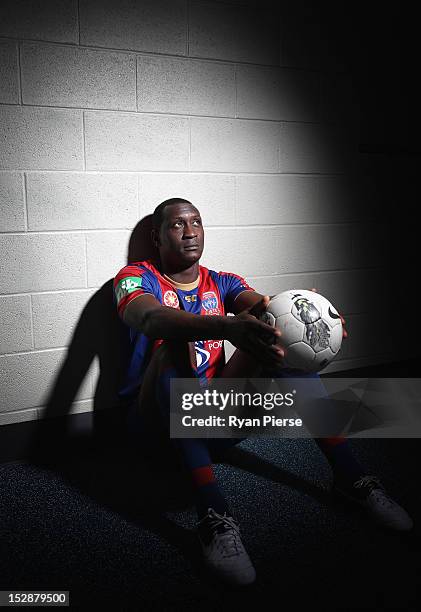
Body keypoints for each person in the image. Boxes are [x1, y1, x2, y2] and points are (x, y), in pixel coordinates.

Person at [113, 198, 413, 586]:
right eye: (177, 225)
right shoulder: (134, 276)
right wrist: (225, 327)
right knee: (175, 344)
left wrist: (313, 317)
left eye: (197, 223)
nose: (190, 233)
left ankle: (351, 478)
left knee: (282, 344)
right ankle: (213, 517)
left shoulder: (222, 281)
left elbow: (263, 306)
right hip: (155, 427)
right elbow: (152, 319)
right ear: (157, 236)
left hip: (214, 419)